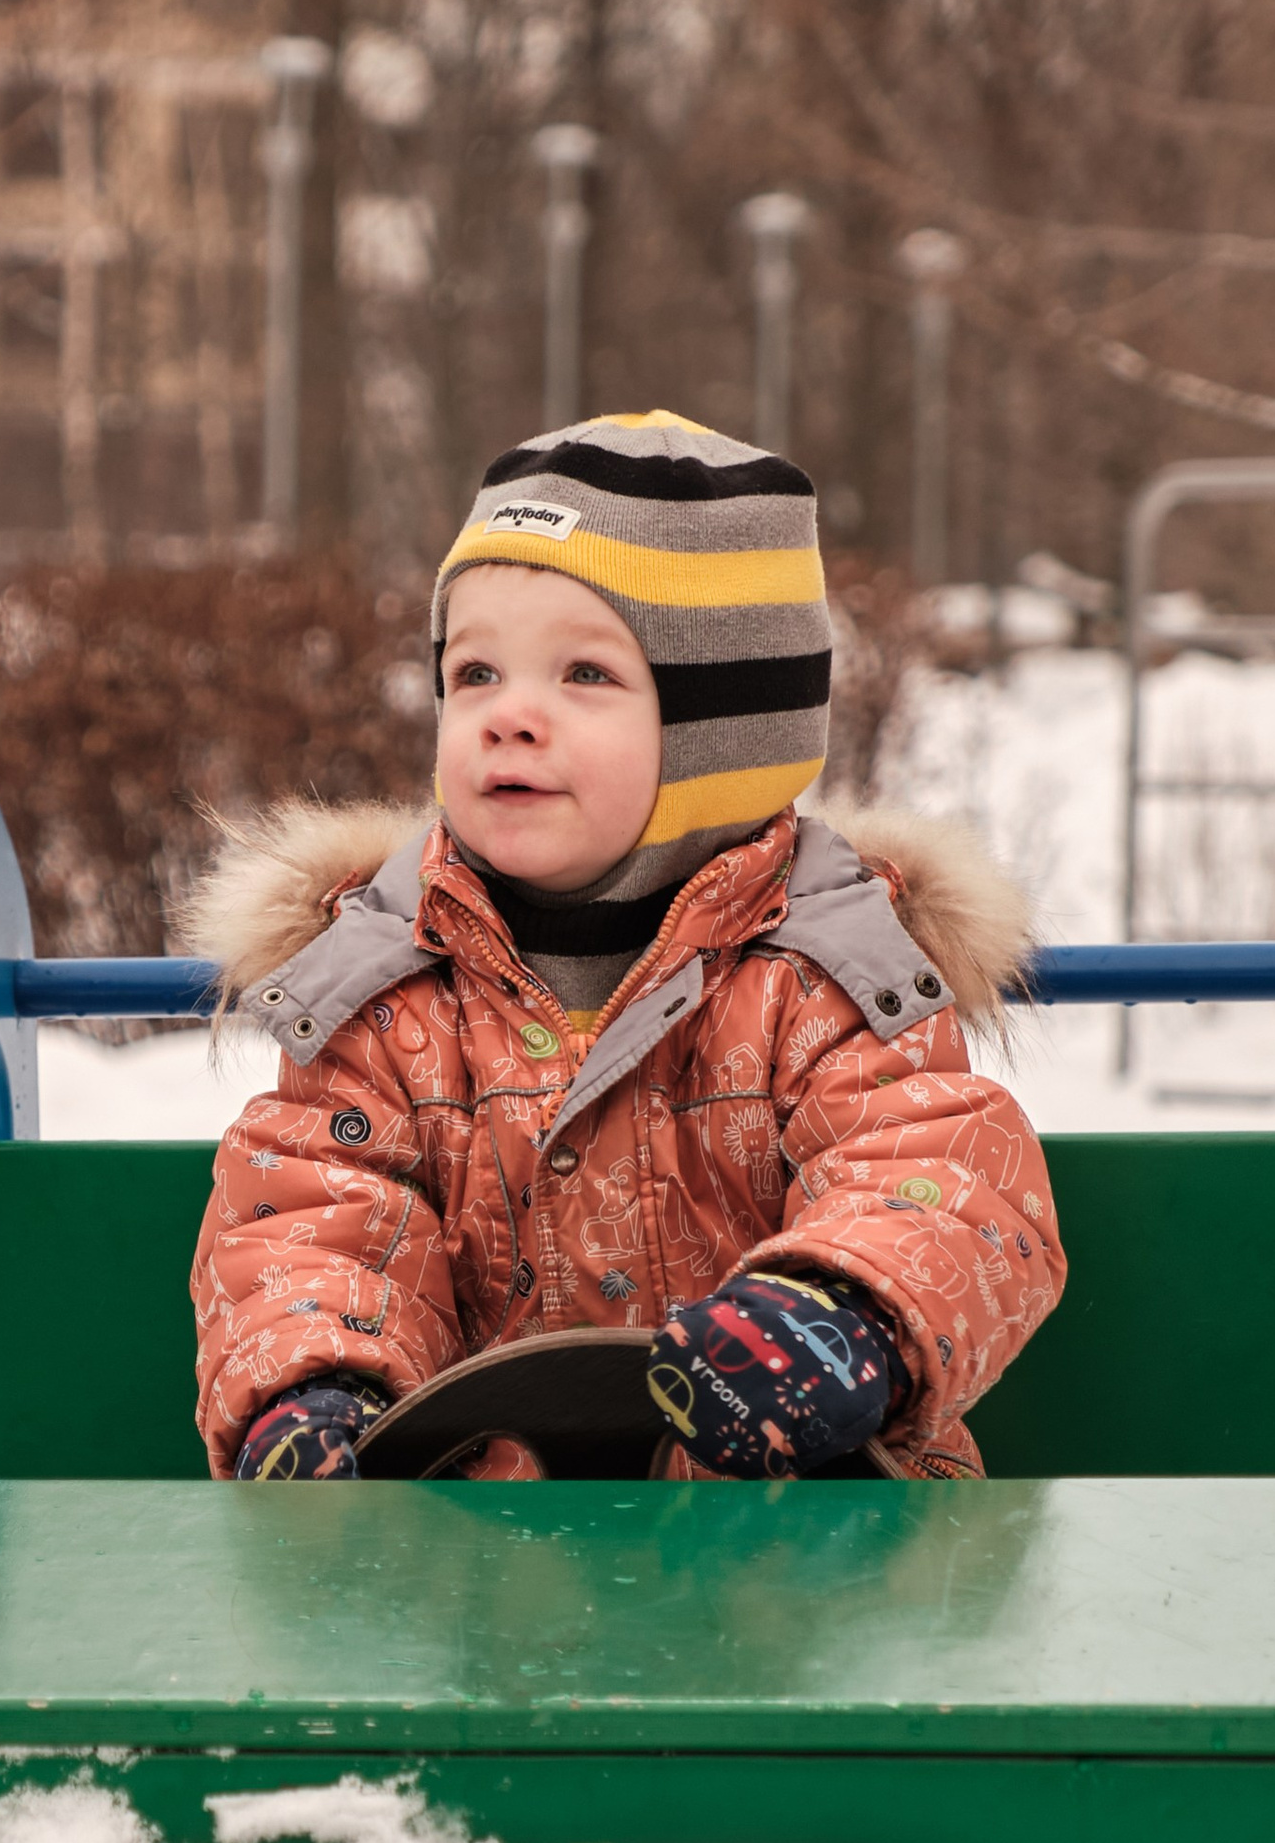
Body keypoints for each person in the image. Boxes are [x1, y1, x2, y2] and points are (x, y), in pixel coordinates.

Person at [187, 406, 1065, 1481]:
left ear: (721, 734)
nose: (509, 717)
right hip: (488, 1582)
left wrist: (843, 1311)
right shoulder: (382, 987)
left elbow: (938, 1175)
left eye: (584, 675)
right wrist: (320, 1387)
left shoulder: (831, 972)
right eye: (474, 675)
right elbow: (312, 1218)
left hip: (801, 1561)